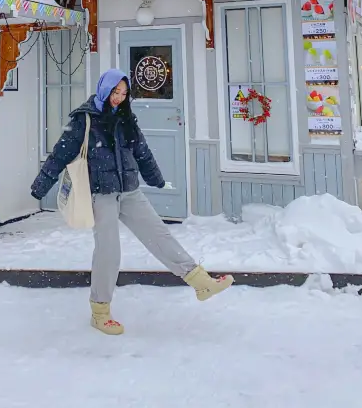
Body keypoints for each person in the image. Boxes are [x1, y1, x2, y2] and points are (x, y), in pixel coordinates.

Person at [31, 68, 233, 335]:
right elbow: (60, 154)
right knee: (109, 252)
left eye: (124, 94)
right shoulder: (84, 120)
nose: (119, 98)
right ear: (105, 90)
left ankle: (200, 282)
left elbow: (142, 151)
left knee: (159, 235)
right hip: (101, 194)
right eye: (115, 92)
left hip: (129, 191)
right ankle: (100, 312)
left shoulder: (126, 119)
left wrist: (156, 179)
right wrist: (40, 186)